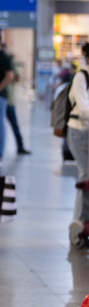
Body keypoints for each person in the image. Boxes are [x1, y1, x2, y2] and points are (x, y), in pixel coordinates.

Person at [67, 43, 89, 242]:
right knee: (85, 178)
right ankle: (78, 223)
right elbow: (83, 109)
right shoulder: (81, 77)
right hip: (79, 132)